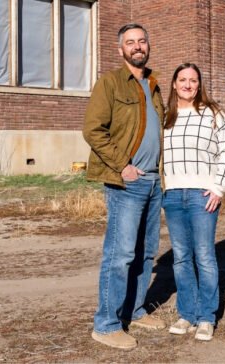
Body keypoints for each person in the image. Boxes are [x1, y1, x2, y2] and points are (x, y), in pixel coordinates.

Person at [83, 23, 166, 350]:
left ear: (148, 45)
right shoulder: (110, 83)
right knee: (120, 255)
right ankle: (106, 324)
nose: (137, 46)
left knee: (146, 254)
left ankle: (135, 309)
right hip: (127, 182)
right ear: (121, 50)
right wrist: (123, 165)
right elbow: (93, 129)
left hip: (154, 181)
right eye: (130, 42)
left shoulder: (155, 84)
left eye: (142, 41)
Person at [162, 63, 225, 341]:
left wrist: (218, 187)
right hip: (173, 195)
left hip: (202, 195)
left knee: (204, 256)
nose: (188, 85)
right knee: (181, 257)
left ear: (199, 84)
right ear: (174, 84)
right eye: (183, 80)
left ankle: (206, 317)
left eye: (193, 80)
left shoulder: (213, 113)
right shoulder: (165, 116)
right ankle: (186, 314)